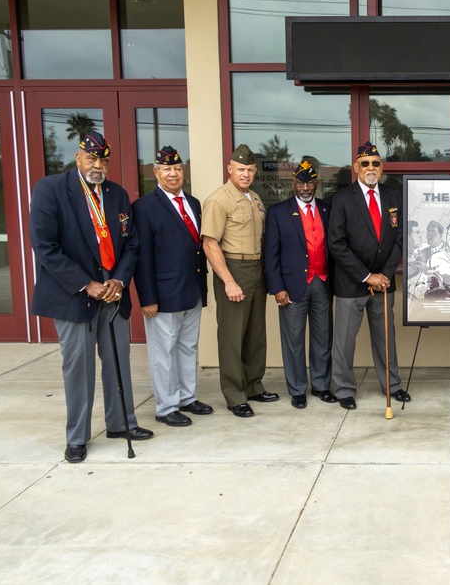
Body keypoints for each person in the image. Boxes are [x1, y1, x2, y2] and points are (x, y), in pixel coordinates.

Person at [29, 131, 153, 463]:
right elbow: (45, 248)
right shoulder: (51, 190)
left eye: (103, 159)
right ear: (78, 158)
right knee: (78, 368)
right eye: (91, 158)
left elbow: (131, 244)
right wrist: (87, 283)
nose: (98, 165)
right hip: (75, 297)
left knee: (118, 363)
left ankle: (121, 423)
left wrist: (119, 280)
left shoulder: (117, 194)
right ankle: (78, 438)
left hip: (113, 295)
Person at [132, 146, 213, 427]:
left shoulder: (194, 202)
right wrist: (147, 298)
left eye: (177, 168)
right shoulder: (143, 207)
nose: (173, 173)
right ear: (155, 172)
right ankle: (166, 406)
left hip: (192, 290)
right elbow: (141, 258)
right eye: (166, 169)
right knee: (162, 352)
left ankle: (187, 397)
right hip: (163, 295)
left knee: (188, 347)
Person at [327, 142, 410, 410]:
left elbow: (399, 238)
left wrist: (384, 274)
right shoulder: (342, 198)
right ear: (356, 168)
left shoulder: (393, 196)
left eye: (375, 163)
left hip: (384, 282)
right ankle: (343, 389)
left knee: (386, 338)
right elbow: (337, 244)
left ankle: (392, 385)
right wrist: (366, 276)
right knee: (345, 341)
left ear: (382, 168)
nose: (370, 168)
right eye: (365, 164)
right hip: (352, 283)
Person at [202, 144, 277, 418]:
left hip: (256, 269)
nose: (245, 174)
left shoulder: (254, 198)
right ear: (230, 168)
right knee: (232, 336)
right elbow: (210, 244)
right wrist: (228, 281)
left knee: (256, 334)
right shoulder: (219, 199)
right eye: (240, 169)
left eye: (249, 170)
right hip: (233, 267)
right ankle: (235, 395)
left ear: (255, 171)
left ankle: (254, 385)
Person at [263, 159, 337, 409]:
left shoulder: (328, 209)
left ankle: (321, 385)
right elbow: (270, 254)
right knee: (293, 340)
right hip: (293, 285)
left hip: (323, 282)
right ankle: (297, 389)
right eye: (300, 183)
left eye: (310, 183)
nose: (306, 188)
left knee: (323, 338)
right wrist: (277, 288)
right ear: (293, 183)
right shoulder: (278, 212)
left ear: (316, 183)